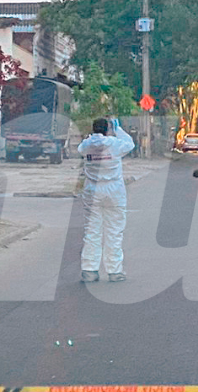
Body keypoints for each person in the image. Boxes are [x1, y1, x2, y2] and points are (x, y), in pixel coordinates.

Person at [77, 117, 136, 283]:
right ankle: (114, 271)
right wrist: (119, 129)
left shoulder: (87, 145)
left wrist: (91, 137)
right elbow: (130, 144)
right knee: (114, 231)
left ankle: (89, 270)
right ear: (107, 129)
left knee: (92, 231)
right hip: (114, 190)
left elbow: (81, 148)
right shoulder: (114, 144)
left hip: (92, 190)